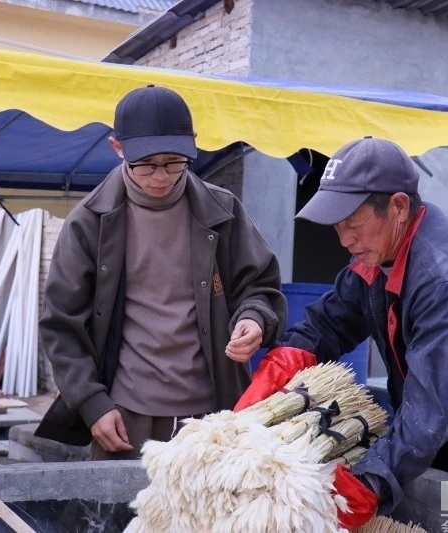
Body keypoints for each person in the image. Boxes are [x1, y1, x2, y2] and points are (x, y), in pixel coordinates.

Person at [234, 136, 448, 528]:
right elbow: (329, 322)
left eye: (353, 224)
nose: (344, 239)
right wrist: (286, 360)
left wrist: (368, 484)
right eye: (337, 225)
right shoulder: (378, 254)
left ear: (399, 207)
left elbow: (428, 409)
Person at [35, 84, 287, 459]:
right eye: (146, 164)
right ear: (117, 148)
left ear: (193, 145)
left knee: (211, 516)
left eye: (174, 162)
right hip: (125, 415)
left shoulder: (223, 210)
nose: (161, 175)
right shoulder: (88, 224)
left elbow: (261, 286)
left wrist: (254, 318)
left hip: (216, 414)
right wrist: (92, 403)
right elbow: (61, 325)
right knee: (127, 517)